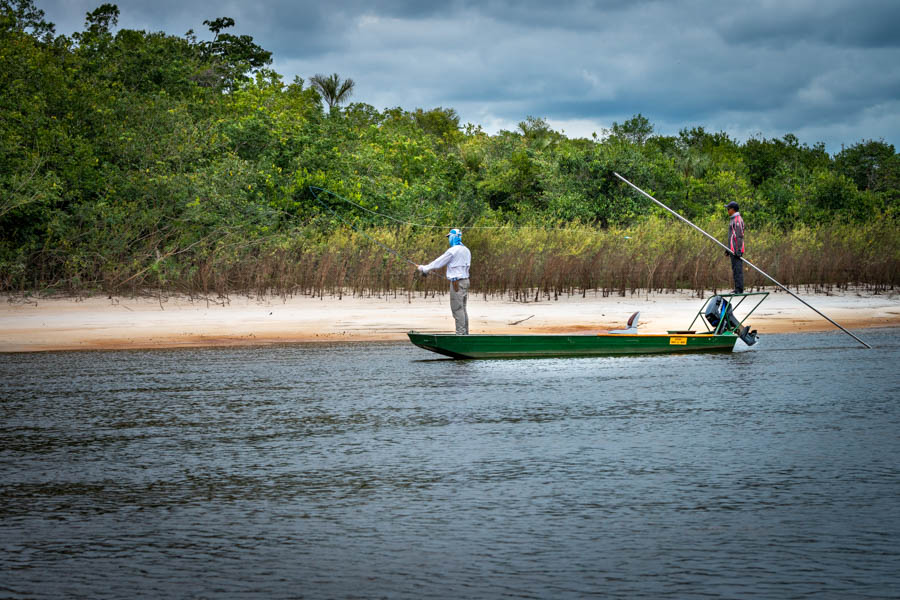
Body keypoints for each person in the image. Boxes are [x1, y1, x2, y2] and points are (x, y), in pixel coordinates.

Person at [417, 228, 471, 335]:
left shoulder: (452, 251)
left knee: (457, 309)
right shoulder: (466, 250)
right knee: (463, 308)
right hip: (465, 281)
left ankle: (460, 334)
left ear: (454, 237)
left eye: (449, 237)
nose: (449, 239)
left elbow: (438, 262)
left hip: (457, 283)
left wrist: (424, 268)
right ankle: (465, 333)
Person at [724, 201, 745, 293]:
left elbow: (739, 236)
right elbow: (732, 236)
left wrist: (738, 250)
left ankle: (739, 289)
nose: (727, 211)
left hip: (737, 250)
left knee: (737, 269)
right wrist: (728, 249)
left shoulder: (737, 220)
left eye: (728, 209)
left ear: (733, 210)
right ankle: (737, 288)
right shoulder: (733, 219)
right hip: (733, 249)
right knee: (735, 269)